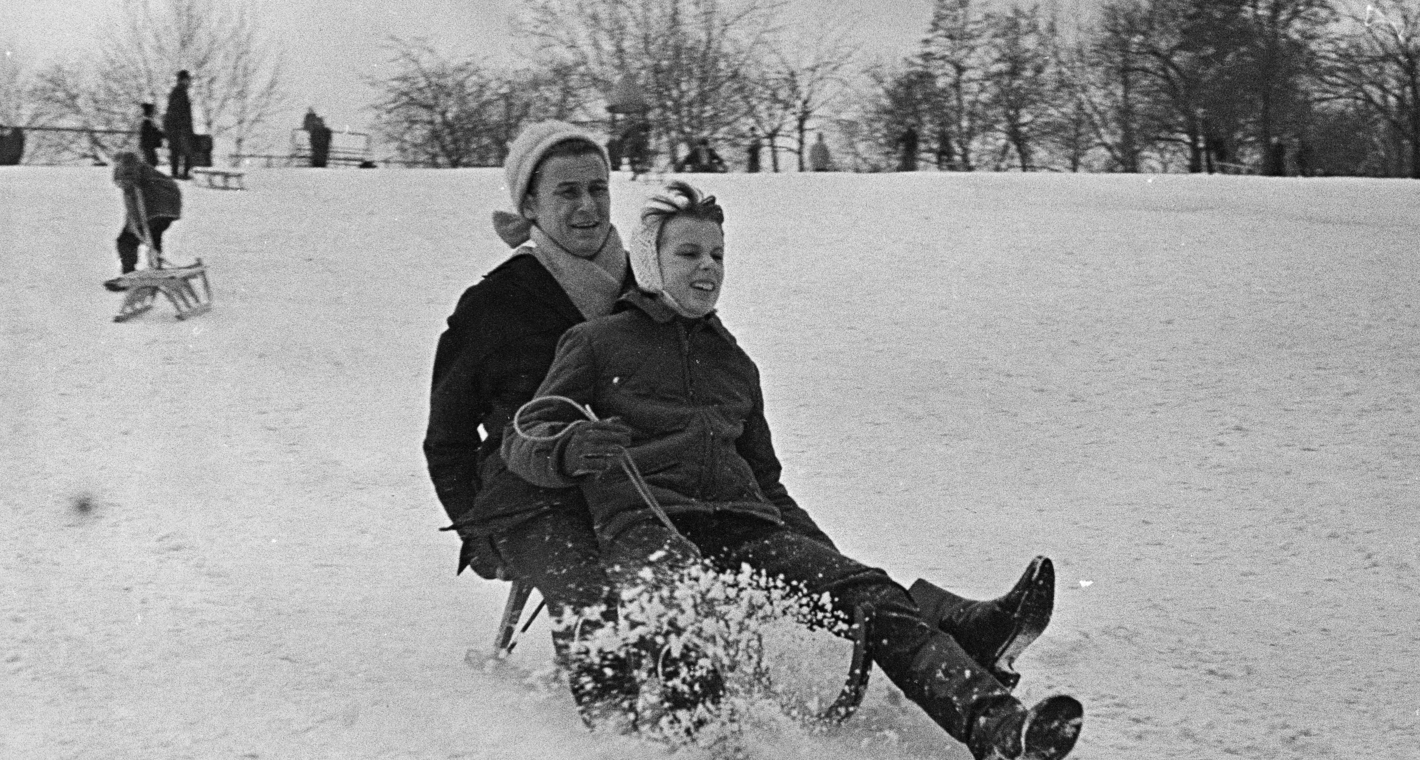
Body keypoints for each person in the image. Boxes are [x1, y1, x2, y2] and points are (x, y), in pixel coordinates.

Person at [424, 122, 1054, 720]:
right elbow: (446, 437)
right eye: (566, 192)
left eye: (598, 189)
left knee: (794, 550)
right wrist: (480, 533)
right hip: (534, 493)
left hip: (643, 481)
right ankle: (625, 728)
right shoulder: (494, 303)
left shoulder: (646, 275)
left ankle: (953, 627)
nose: (588, 207)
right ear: (530, 204)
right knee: (590, 585)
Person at [503, 182, 1081, 760]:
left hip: (748, 529)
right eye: (688, 254)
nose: (707, 268)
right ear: (650, 263)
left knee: (872, 595)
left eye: (717, 255)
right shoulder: (597, 342)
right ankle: (700, 752)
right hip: (648, 525)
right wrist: (568, 448)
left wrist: (830, 563)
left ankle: (997, 731)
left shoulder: (734, 365)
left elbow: (768, 486)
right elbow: (528, 433)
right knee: (680, 598)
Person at [104, 151, 182, 288]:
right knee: (153, 237)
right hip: (170, 209)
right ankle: (155, 268)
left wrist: (126, 178)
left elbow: (130, 174)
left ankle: (129, 276)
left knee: (125, 241)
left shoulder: (127, 167)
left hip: (154, 209)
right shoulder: (146, 170)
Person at [164, 71, 194, 179]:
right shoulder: (179, 92)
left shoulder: (179, 92)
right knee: (184, 151)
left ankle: (178, 173)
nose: (188, 82)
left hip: (177, 129)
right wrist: (183, 128)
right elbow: (178, 113)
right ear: (182, 80)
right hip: (178, 129)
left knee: (178, 151)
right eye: (187, 79)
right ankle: (180, 174)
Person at [136, 103, 165, 167]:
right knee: (152, 162)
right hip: (148, 145)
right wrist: (163, 135)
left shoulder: (148, 121)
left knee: (152, 162)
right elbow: (152, 133)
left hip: (147, 145)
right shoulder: (147, 122)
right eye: (152, 111)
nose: (154, 112)